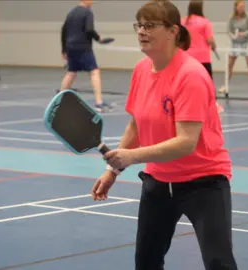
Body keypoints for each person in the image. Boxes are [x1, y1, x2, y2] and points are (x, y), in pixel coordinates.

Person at [90, 1, 238, 269]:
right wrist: (112, 171)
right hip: (158, 182)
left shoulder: (190, 75)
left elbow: (185, 142)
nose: (142, 31)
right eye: (139, 25)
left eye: (150, 25)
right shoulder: (141, 70)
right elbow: (136, 125)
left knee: (219, 263)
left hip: (203, 182)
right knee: (146, 261)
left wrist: (131, 157)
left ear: (172, 31)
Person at [59, 0, 113, 113]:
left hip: (70, 46)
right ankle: (99, 103)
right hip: (82, 46)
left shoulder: (71, 12)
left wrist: (64, 49)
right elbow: (89, 29)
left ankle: (59, 101)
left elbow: (63, 31)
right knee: (94, 71)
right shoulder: (87, 12)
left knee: (71, 72)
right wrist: (98, 38)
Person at [181, 0, 224, 113]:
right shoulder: (205, 22)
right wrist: (214, 46)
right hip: (202, 58)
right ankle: (213, 105)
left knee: (186, 83)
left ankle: (187, 104)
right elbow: (209, 39)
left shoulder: (183, 22)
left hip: (186, 58)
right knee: (208, 82)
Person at [218, 0, 248, 95]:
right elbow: (228, 31)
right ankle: (225, 86)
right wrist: (234, 37)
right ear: (236, 7)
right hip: (235, 43)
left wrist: (243, 34)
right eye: (240, 7)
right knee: (229, 64)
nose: (242, 8)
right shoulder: (231, 18)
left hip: (247, 42)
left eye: (243, 7)